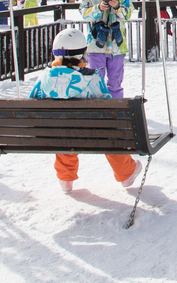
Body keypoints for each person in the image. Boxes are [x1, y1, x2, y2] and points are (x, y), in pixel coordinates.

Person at [37, 26, 143, 192]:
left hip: (57, 133)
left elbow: (34, 100)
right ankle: (126, 173)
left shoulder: (45, 79)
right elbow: (107, 105)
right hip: (93, 133)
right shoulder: (91, 79)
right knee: (109, 134)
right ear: (81, 54)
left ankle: (65, 177)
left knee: (65, 132)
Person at [80, 0, 131, 97]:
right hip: (97, 44)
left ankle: (117, 107)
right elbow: (84, 13)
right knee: (96, 80)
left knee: (115, 81)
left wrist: (118, 8)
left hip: (117, 45)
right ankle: (98, 111)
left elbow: (129, 13)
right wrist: (97, 9)